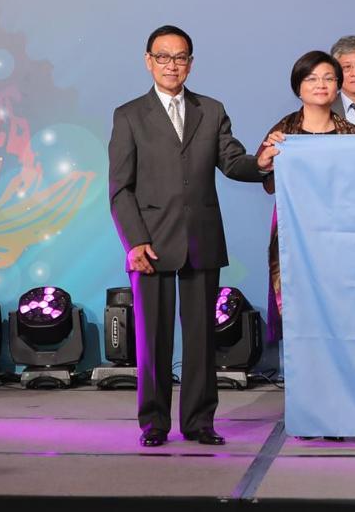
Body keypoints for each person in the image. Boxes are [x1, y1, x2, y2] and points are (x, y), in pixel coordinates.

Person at [108, 25, 277, 448]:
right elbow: (120, 189)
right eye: (163, 57)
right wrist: (135, 241)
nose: (172, 65)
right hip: (150, 244)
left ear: (191, 63)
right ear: (148, 61)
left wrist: (262, 162)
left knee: (202, 340)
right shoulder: (129, 115)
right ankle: (154, 423)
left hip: (201, 240)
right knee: (153, 341)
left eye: (180, 57)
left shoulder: (211, 110)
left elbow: (233, 162)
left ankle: (200, 421)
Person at [256, 51, 355, 341]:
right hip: (295, 234)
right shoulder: (283, 134)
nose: (321, 85)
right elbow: (267, 182)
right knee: (297, 309)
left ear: (338, 86)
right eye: (311, 79)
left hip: (339, 236)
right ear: (298, 87)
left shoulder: (352, 135)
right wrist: (266, 160)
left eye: (328, 78)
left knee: (340, 308)